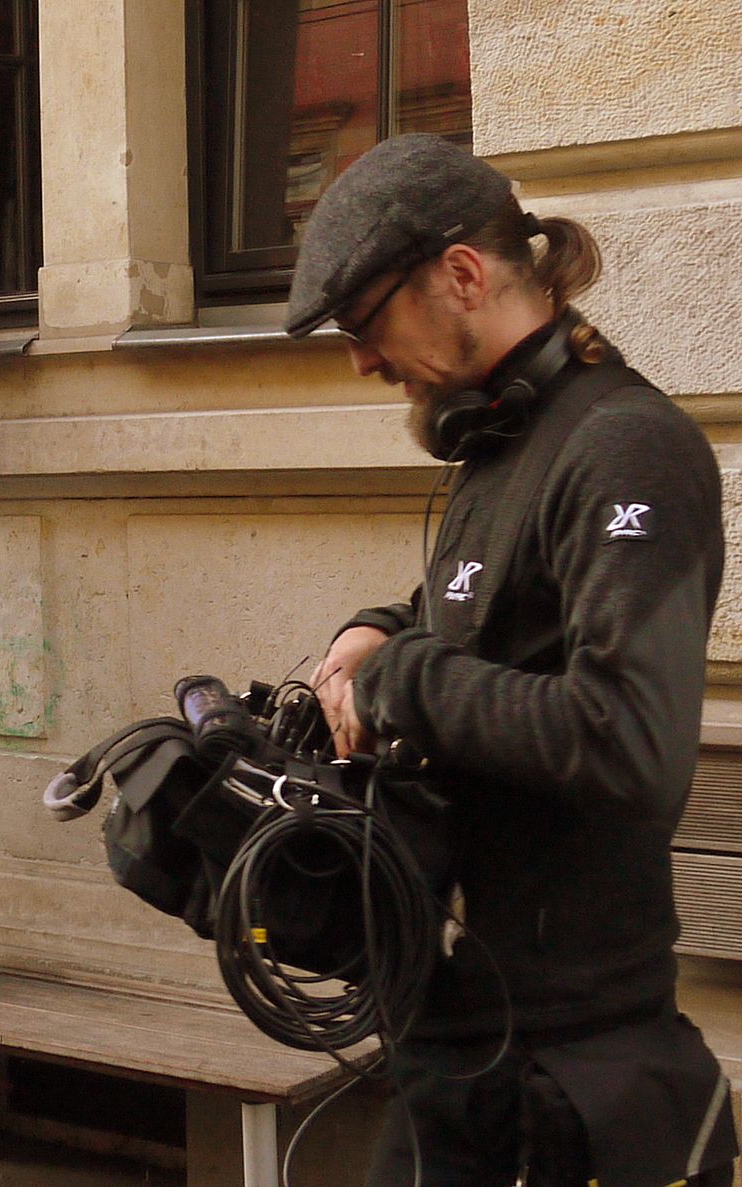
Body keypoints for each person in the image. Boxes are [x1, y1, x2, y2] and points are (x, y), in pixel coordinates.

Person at [294, 134, 738, 1187]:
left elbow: (631, 741)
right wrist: (376, 629)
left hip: (570, 1079)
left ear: (461, 273)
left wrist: (403, 679)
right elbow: (486, 616)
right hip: (462, 1054)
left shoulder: (626, 447)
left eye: (366, 322)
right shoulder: (498, 437)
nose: (361, 360)